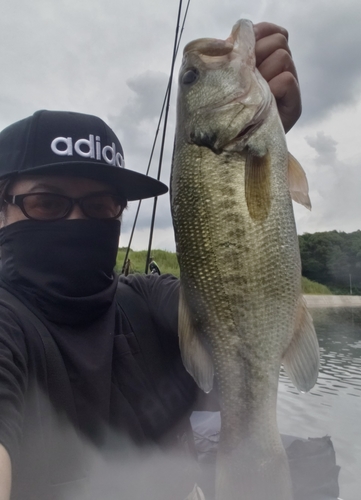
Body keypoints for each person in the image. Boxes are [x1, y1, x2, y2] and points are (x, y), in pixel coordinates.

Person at [0, 22, 302, 500]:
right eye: (47, 203)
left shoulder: (149, 300)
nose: (80, 220)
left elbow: (239, 288)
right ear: (3, 211)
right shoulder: (7, 329)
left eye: (102, 206)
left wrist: (270, 145)